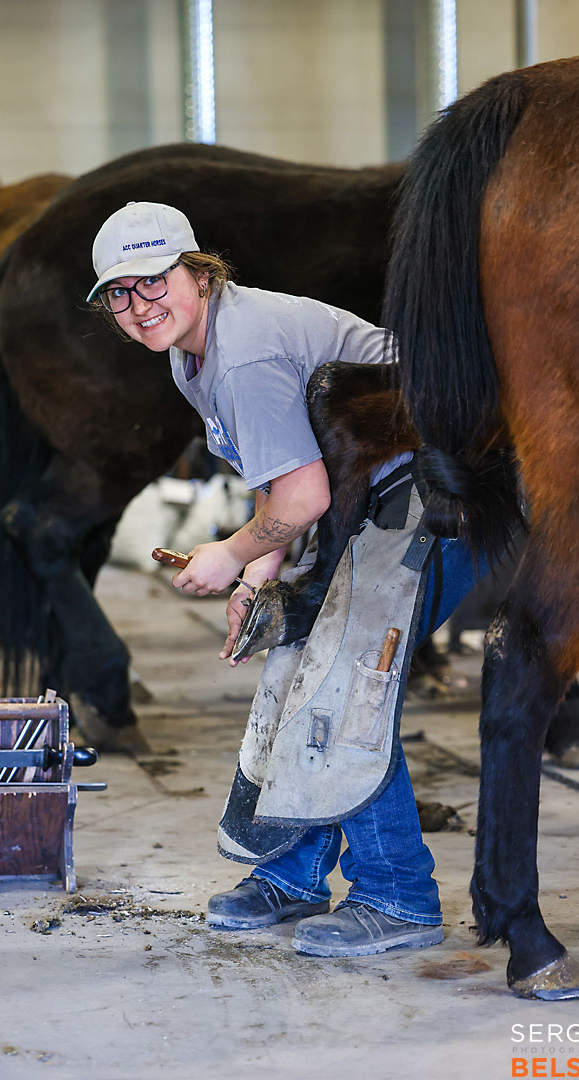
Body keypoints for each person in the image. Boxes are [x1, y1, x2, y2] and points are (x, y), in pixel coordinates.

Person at [87, 201, 483, 958]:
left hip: (441, 486)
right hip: (367, 493)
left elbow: (303, 498)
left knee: (348, 681)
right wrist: (259, 573)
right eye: (119, 293)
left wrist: (230, 554)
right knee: (297, 663)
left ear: (198, 272)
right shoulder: (192, 349)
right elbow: (288, 474)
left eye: (154, 280)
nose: (139, 306)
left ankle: (399, 895)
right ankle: (294, 875)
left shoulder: (241, 354)